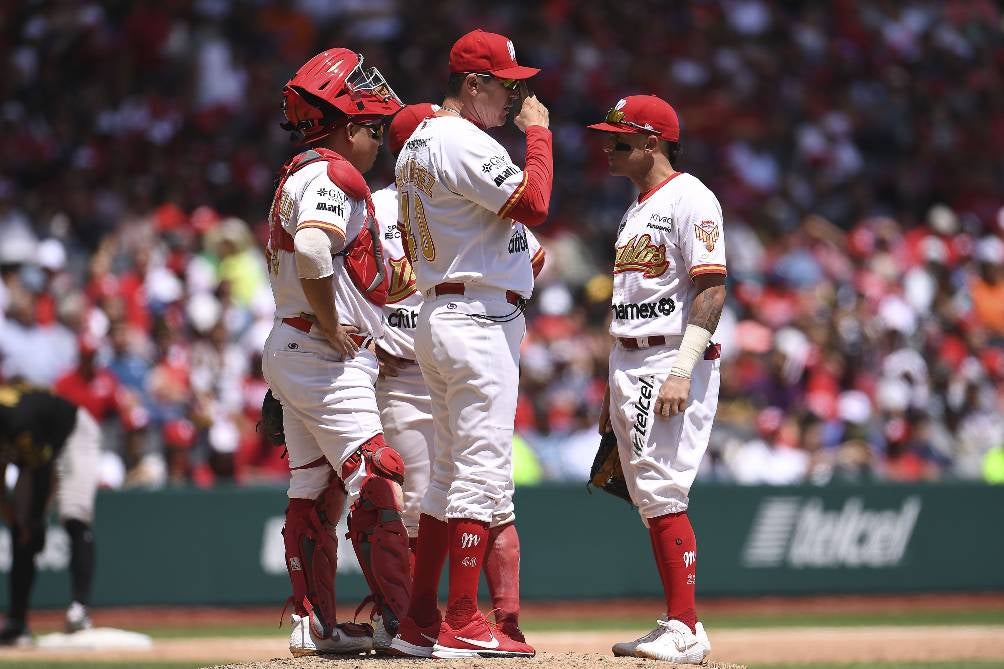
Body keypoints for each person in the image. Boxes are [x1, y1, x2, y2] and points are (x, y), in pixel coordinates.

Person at [390, 29, 551, 659]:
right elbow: (534, 202)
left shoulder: (419, 142)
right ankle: (461, 616)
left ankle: (420, 617)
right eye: (507, 86)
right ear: (473, 83)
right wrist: (540, 134)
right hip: (477, 319)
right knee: (480, 475)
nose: (514, 100)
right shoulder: (460, 138)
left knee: (446, 479)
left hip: (441, 310)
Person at [261, 47, 409, 657]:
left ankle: (314, 624)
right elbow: (317, 252)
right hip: (322, 350)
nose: (378, 142)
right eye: (372, 130)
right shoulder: (331, 175)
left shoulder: (299, 172)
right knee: (375, 477)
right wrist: (332, 324)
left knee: (313, 485)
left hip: (290, 343)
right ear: (349, 127)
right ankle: (404, 622)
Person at [588, 94, 727, 663]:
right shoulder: (637, 207)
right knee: (648, 491)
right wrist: (608, 384)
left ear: (652, 142)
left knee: (662, 487)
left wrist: (681, 370)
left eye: (620, 140)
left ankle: (686, 627)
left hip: (668, 355)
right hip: (630, 355)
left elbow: (712, 288)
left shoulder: (692, 198)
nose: (608, 148)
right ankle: (677, 620)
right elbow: (630, 299)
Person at [0, 383, 102, 645]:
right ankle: (17, 623)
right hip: (35, 448)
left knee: (73, 513)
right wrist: (15, 518)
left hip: (72, 434)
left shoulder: (16, 421)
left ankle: (80, 609)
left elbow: (43, 471)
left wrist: (34, 520)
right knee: (20, 528)